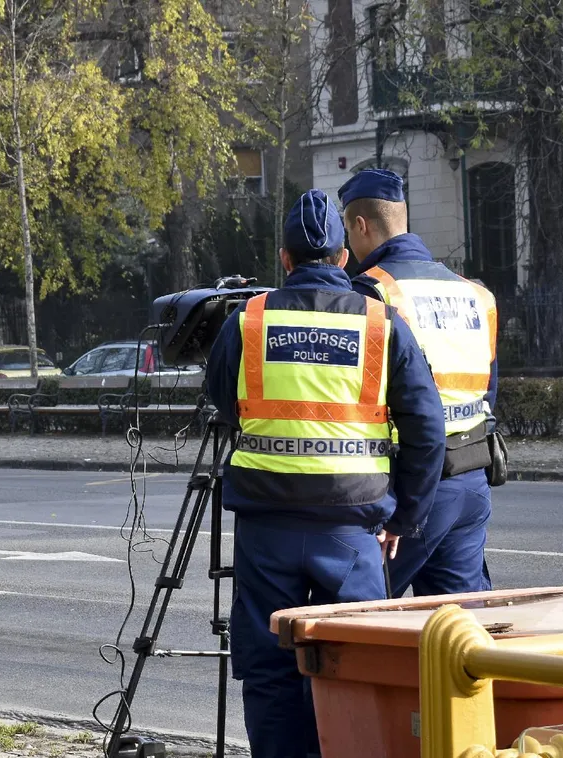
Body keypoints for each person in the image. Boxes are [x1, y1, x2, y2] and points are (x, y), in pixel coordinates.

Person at [207, 189, 446, 758]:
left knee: (270, 671)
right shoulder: (381, 324)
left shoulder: (249, 320)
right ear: (344, 258)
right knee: (353, 669)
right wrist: (407, 517)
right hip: (352, 530)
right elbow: (426, 431)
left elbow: (222, 401)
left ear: (284, 259)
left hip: (268, 530)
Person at [340, 168, 499, 598]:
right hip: (471, 479)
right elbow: (489, 390)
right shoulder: (474, 293)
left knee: (358, 618)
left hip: (410, 484)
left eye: (347, 231)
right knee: (457, 637)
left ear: (361, 225)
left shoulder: (373, 292)